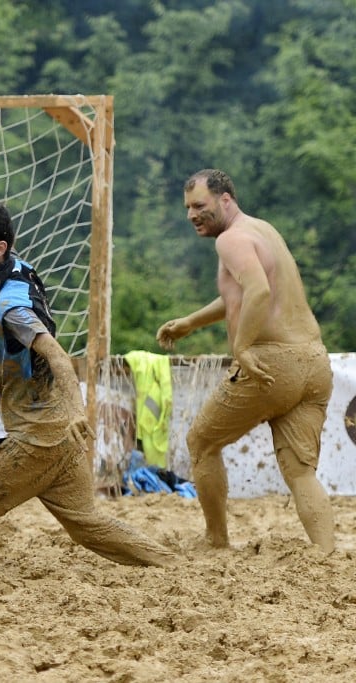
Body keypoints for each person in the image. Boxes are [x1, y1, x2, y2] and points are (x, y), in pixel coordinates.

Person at [0, 160, 175, 573]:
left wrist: (79, 411)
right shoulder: (15, 266)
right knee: (86, 523)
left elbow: (58, 356)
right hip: (61, 436)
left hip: (38, 439)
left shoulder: (11, 306)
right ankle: (167, 565)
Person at [156, 169, 335, 553]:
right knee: (301, 472)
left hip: (271, 364)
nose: (192, 215)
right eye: (187, 208)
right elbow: (242, 294)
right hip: (314, 363)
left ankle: (217, 541)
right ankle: (326, 555)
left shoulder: (231, 241)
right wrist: (190, 322)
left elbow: (257, 291)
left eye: (200, 205)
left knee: (201, 442)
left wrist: (243, 348)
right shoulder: (261, 230)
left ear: (225, 200)